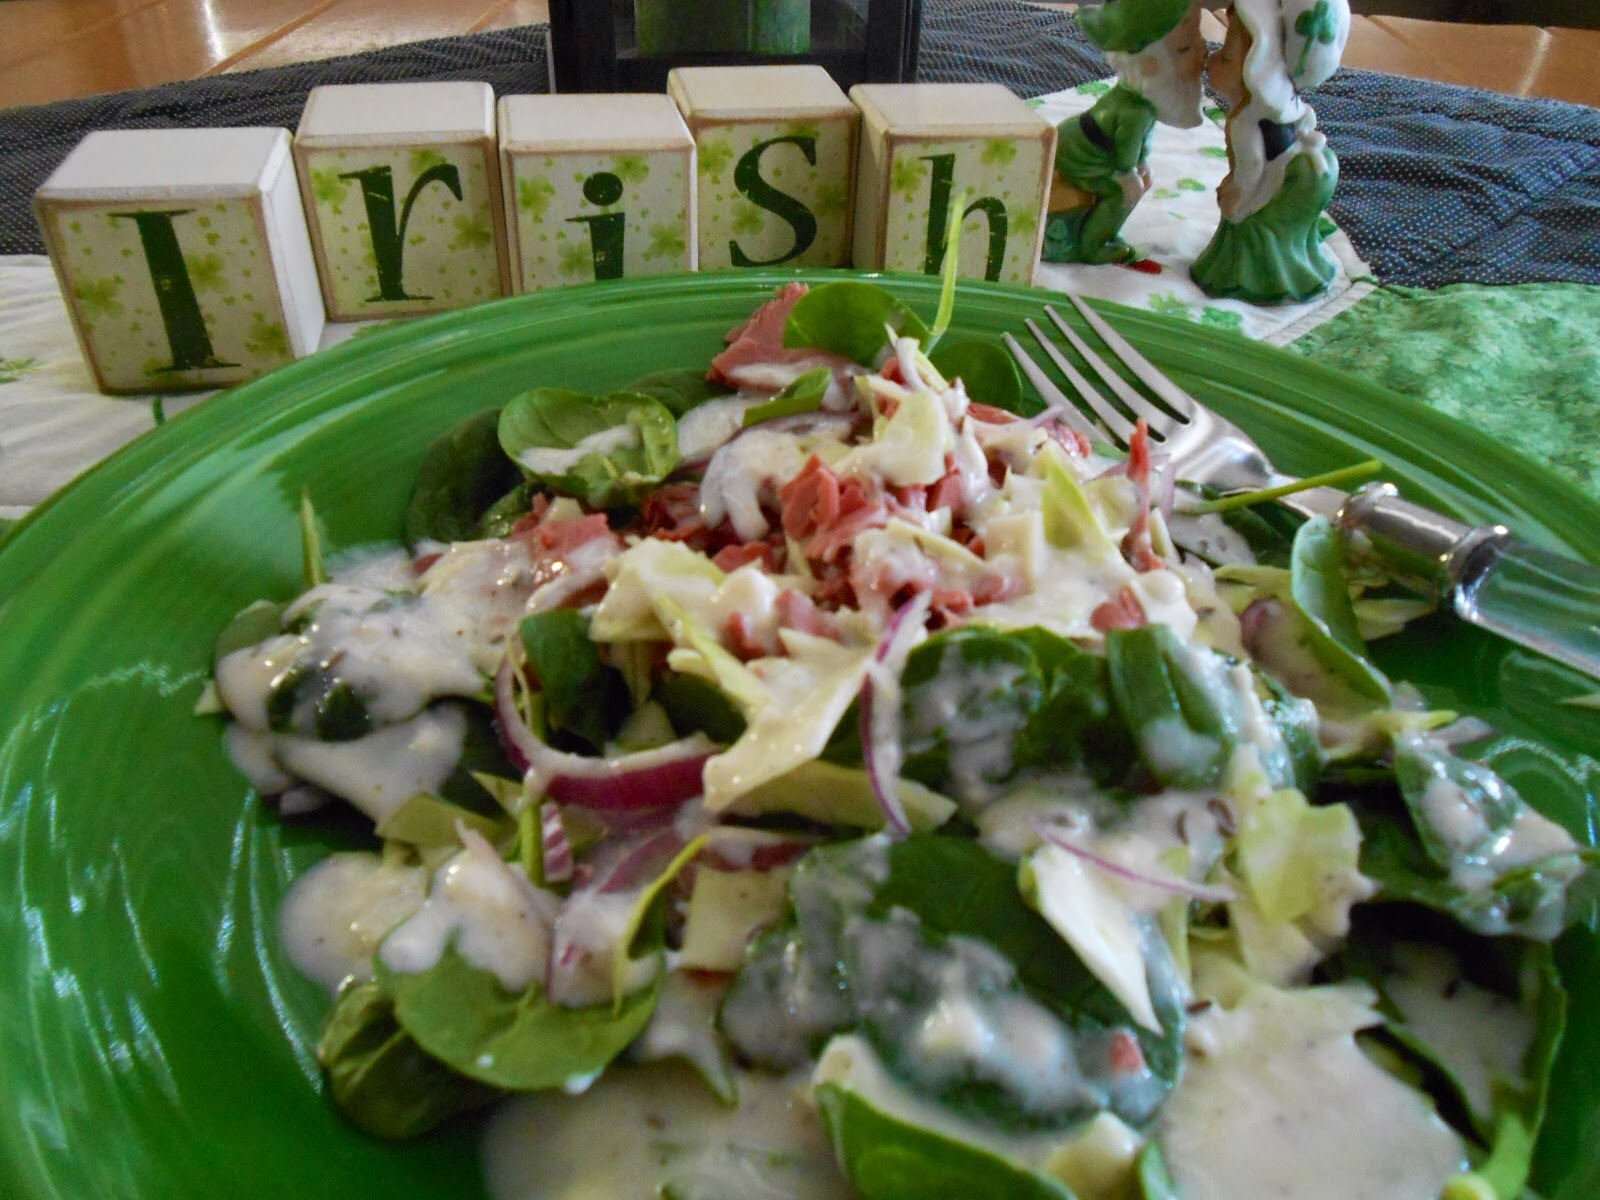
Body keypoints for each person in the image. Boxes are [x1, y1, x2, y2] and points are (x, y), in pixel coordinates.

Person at [1191, 0, 1352, 304]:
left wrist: (1236, 195)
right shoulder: (1284, 109)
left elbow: (1251, 165)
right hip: (1304, 164)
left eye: (1225, 57)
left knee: (1255, 227)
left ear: (1258, 71)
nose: (1211, 61)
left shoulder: (1246, 119)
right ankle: (1299, 263)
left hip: (1280, 180)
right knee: (1288, 232)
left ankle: (1263, 279)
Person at [1042, 0, 1206, 265]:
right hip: (1078, 156)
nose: (1204, 54)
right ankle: (1092, 246)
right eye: (1184, 49)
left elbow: (1141, 143)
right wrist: (1130, 171)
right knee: (1122, 192)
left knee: (1139, 181)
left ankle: (1106, 230)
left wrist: (1141, 162)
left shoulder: (1141, 101)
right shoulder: (1137, 111)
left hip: (1084, 144)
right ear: (1148, 63)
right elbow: (1125, 152)